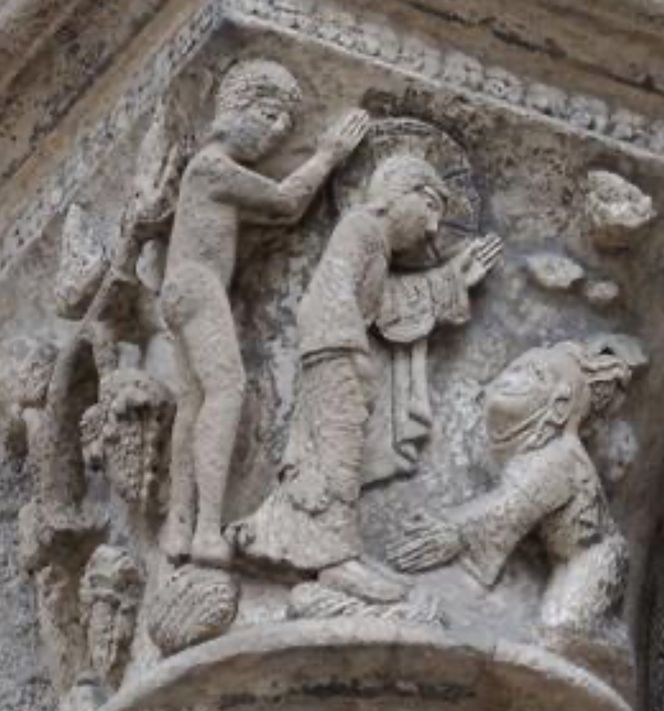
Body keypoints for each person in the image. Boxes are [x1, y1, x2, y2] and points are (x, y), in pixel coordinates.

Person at [235, 154, 502, 602]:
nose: (433, 228)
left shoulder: (375, 243)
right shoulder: (359, 228)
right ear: (398, 193)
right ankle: (336, 562)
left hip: (335, 356)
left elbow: (384, 303)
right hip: (333, 357)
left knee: (324, 458)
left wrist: (451, 280)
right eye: (430, 207)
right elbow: (328, 295)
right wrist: (349, 355)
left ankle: (268, 537)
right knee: (338, 458)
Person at [160, 59, 368, 566]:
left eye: (285, 125)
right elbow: (284, 201)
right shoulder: (211, 166)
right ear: (234, 107)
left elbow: (271, 219)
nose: (276, 132)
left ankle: (177, 524)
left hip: (183, 289)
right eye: (269, 115)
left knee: (193, 402)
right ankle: (207, 528)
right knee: (227, 390)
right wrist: (327, 155)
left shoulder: (212, 177)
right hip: (199, 286)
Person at [389, 340, 632, 631]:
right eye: (517, 368)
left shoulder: (559, 458)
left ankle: (606, 646)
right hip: (562, 553)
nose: (514, 378)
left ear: (559, 406)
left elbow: (507, 510)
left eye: (535, 375)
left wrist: (452, 529)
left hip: (595, 561)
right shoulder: (522, 443)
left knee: (561, 629)